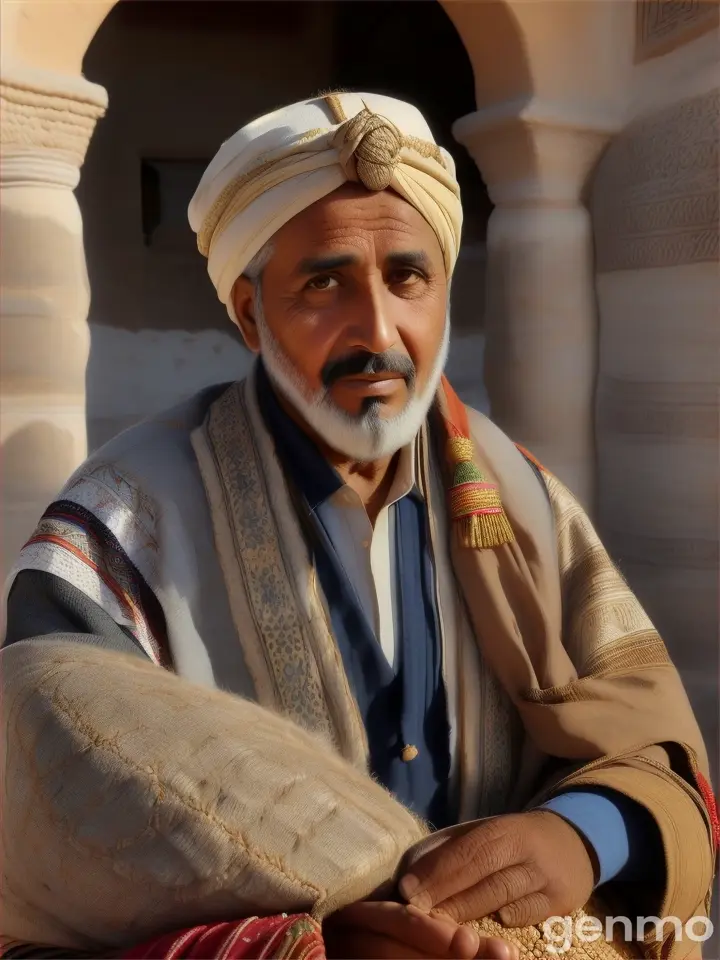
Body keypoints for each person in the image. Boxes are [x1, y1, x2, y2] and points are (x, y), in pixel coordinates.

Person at [1, 91, 717, 960]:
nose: (377, 330)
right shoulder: (123, 521)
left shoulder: (522, 506)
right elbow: (49, 831)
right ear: (249, 311)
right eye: (323, 282)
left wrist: (578, 838)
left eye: (408, 277)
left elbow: (654, 755)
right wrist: (308, 943)